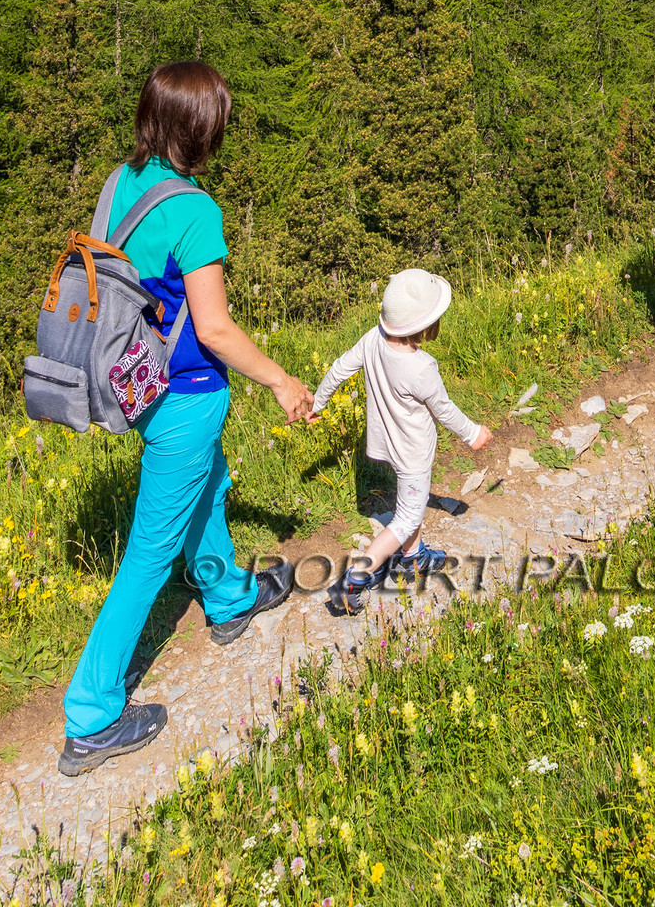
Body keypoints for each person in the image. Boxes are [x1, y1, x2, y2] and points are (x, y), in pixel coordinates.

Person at [59, 63, 314, 779]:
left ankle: (228, 596)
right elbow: (217, 328)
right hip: (184, 393)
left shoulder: (119, 182)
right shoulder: (196, 210)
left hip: (133, 381)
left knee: (206, 480)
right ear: (205, 131)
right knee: (147, 552)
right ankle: (91, 715)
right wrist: (283, 382)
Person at [312, 267, 492, 614]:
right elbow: (445, 410)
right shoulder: (421, 367)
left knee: (410, 503)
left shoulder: (373, 338)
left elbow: (338, 369)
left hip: (388, 446)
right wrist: (474, 433)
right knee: (408, 516)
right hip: (412, 453)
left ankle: (412, 558)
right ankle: (354, 577)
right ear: (425, 324)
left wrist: (318, 403)